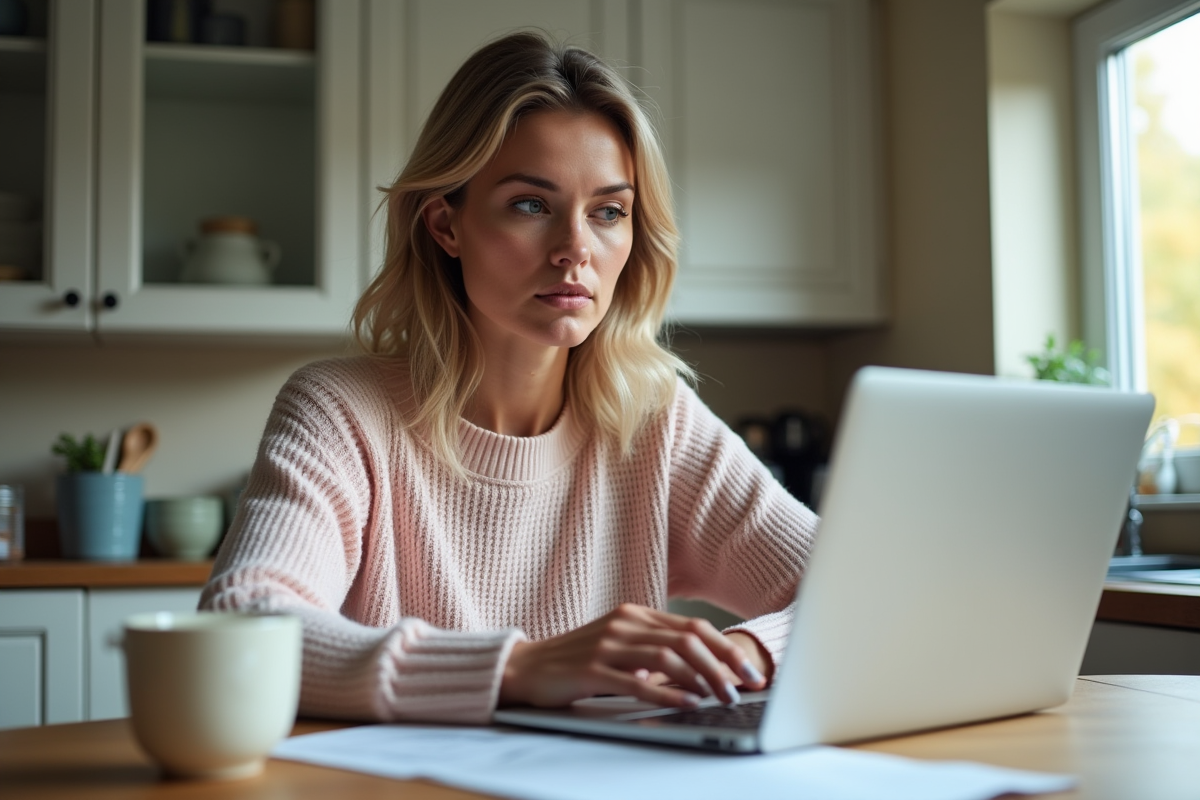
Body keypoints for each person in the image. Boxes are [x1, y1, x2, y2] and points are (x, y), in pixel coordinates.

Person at [199, 31, 818, 724]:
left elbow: (862, 585)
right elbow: (242, 624)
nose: (575, 249)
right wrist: (517, 668)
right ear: (445, 225)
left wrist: (746, 656)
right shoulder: (341, 410)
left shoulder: (654, 420)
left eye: (609, 212)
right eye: (531, 204)